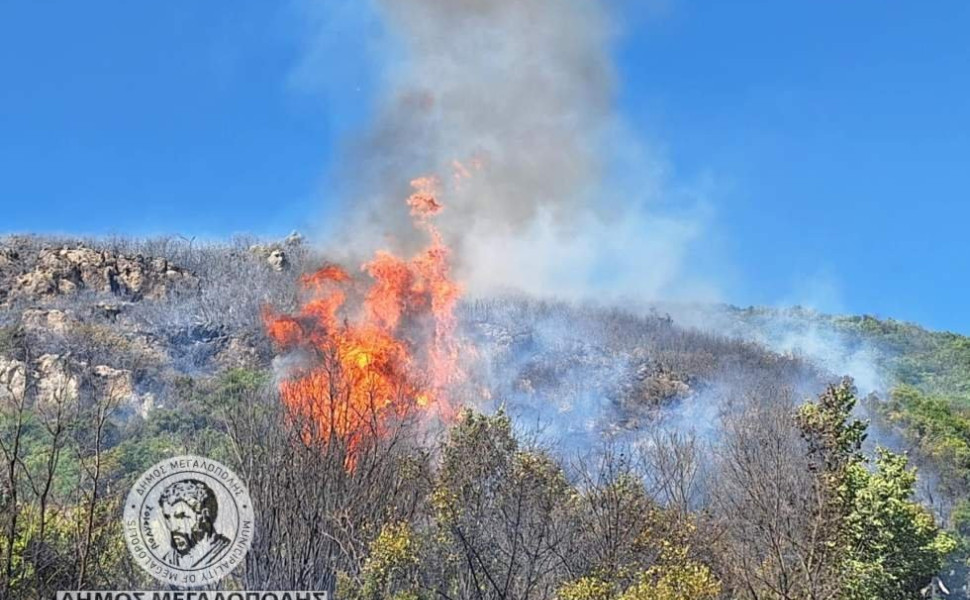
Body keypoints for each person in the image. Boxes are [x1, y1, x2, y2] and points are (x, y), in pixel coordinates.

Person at [158, 479, 231, 568]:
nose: (172, 527)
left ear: (203, 516)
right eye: (167, 517)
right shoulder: (167, 561)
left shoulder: (226, 553)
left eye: (181, 516)